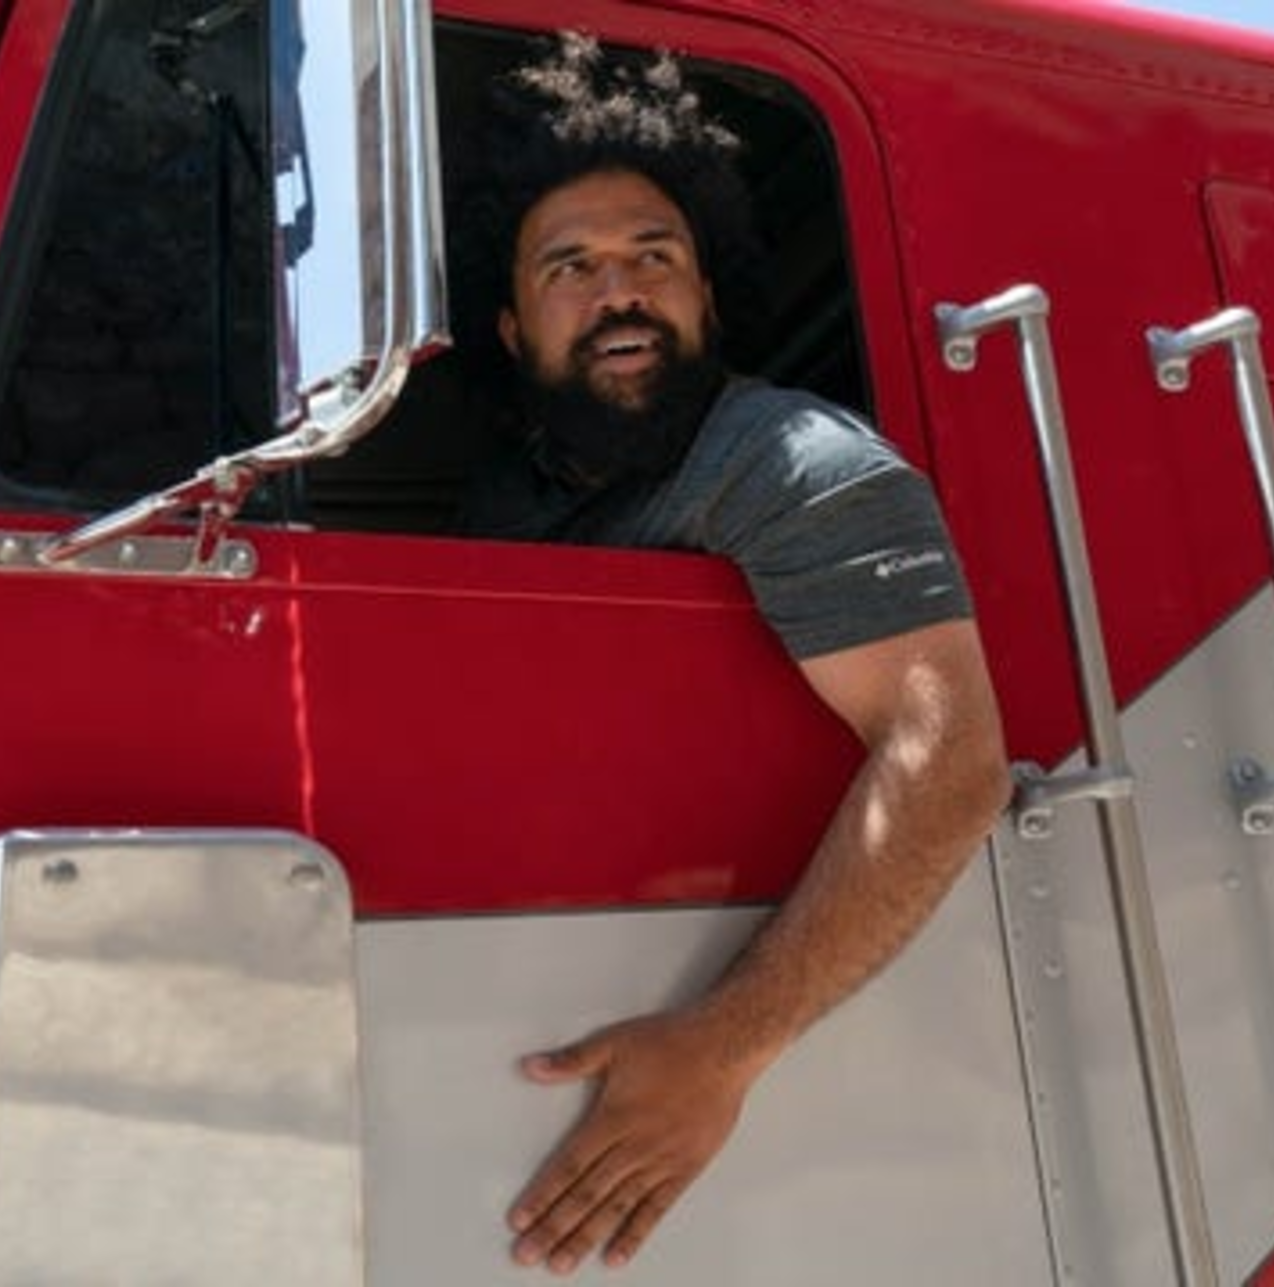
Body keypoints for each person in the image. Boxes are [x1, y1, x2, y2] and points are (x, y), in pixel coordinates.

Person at [455, 35, 1012, 1275]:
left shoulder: (790, 465)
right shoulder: (510, 499)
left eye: (655, 257)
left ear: (706, 298)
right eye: (571, 267)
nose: (620, 290)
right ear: (511, 325)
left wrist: (723, 1050)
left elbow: (954, 763)